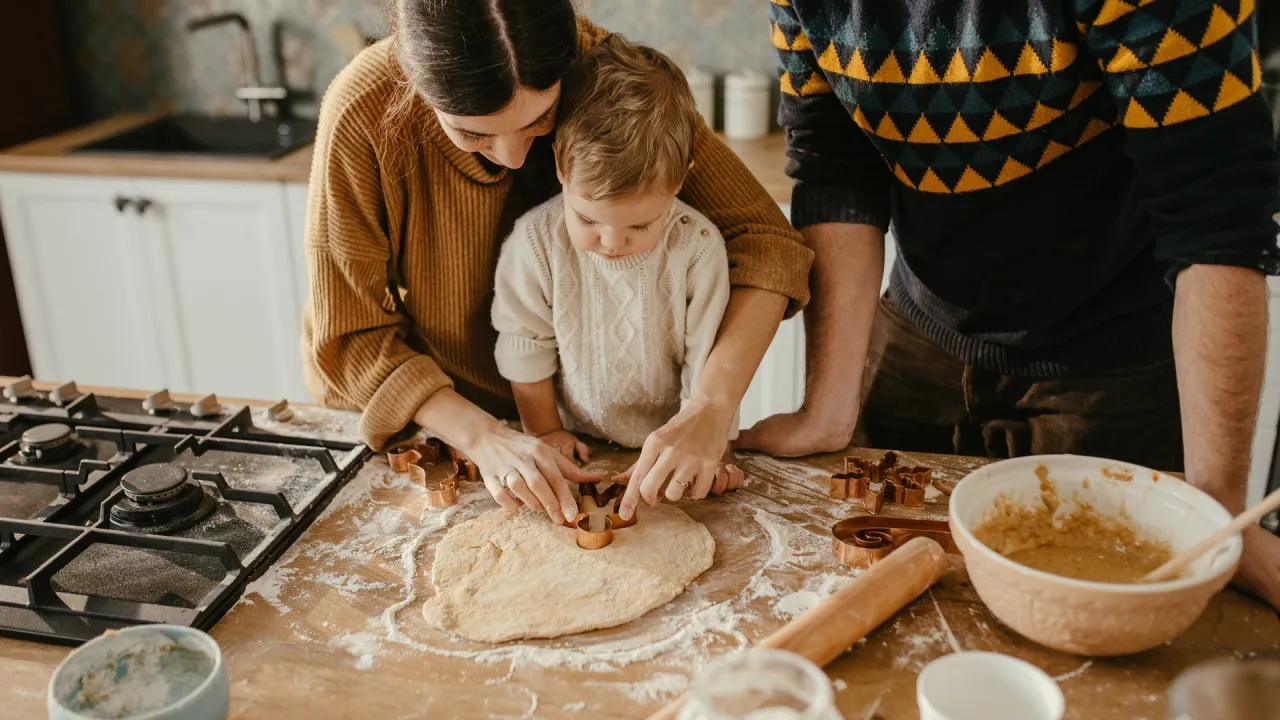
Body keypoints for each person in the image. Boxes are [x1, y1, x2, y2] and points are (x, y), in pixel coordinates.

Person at [737, 0, 1280, 611]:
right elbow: (835, 167)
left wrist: (1218, 510)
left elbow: (1214, 220)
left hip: (1112, 363)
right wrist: (827, 408)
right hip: (915, 333)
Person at [301, 0, 812, 527]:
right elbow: (351, 336)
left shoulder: (603, 72)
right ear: (413, 82)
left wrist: (710, 407)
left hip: (581, 435)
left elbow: (768, 243)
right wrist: (484, 436)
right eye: (474, 134)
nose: (515, 157)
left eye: (540, 120)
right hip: (439, 424)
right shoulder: (363, 108)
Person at [491, 35, 746, 511]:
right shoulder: (535, 243)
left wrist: (715, 448)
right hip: (579, 438)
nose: (610, 242)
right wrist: (546, 432)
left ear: (680, 179)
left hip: (670, 442)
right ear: (561, 167)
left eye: (639, 224)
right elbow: (524, 347)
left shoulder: (697, 249)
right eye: (587, 219)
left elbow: (707, 363)